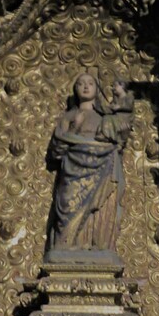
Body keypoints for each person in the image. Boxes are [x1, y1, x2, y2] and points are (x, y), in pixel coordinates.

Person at [46, 73, 133, 264]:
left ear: (97, 89)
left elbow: (118, 138)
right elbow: (56, 150)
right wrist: (74, 128)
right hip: (73, 169)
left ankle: (98, 244)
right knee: (69, 203)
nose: (85, 87)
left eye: (90, 83)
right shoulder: (69, 116)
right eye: (80, 84)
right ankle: (66, 245)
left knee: (101, 205)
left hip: (103, 166)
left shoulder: (106, 117)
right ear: (75, 89)